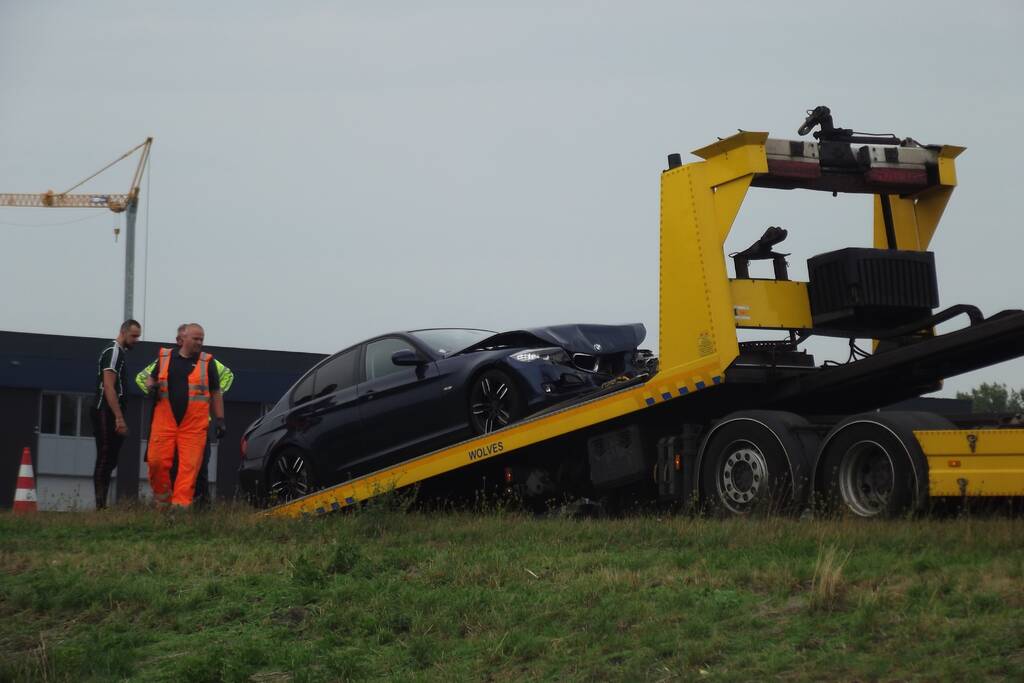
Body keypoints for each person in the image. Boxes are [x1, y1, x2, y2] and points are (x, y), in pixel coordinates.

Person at [136, 323, 233, 504]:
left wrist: (220, 419)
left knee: (189, 469)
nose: (199, 342)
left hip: (193, 426)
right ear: (184, 339)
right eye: (196, 339)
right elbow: (151, 377)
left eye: (201, 339)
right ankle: (163, 501)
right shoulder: (165, 357)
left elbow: (216, 392)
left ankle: (180, 507)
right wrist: (151, 387)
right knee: (156, 462)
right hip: (164, 423)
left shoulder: (207, 362)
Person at [92, 319, 142, 509]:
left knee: (111, 457)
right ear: (123, 332)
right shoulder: (113, 352)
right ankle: (100, 505)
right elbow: (108, 386)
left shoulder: (119, 353)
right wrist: (118, 417)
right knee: (105, 457)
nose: (136, 340)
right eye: (134, 336)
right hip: (105, 410)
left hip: (111, 410)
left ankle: (102, 502)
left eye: (138, 336)